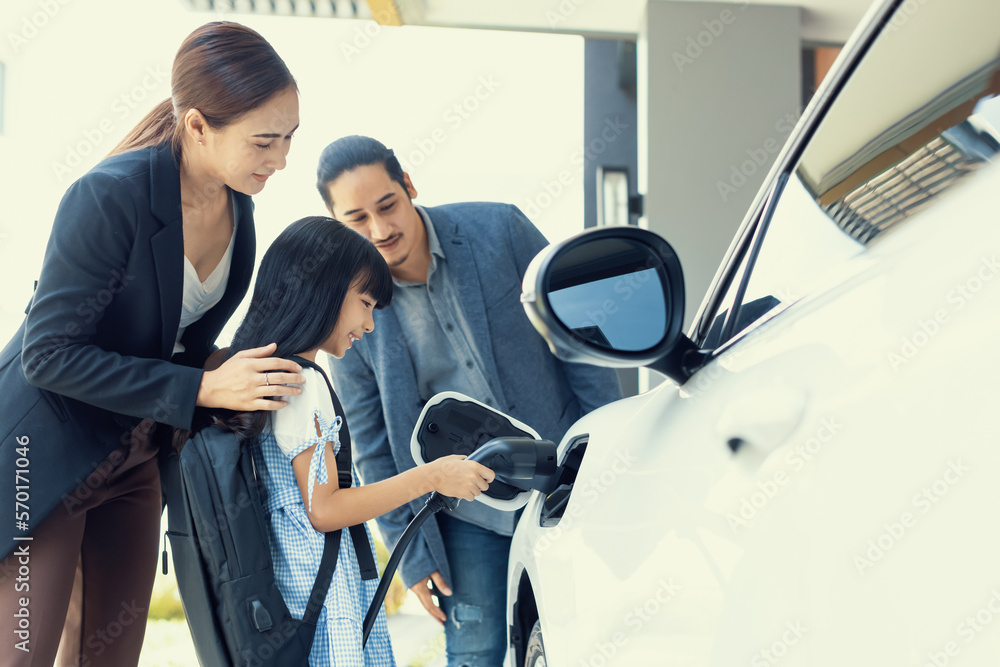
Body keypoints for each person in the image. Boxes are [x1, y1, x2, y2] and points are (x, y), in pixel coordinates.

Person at [0, 22, 302, 666]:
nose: (279, 159)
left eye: (288, 140)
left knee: (108, 658)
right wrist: (202, 385)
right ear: (198, 126)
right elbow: (47, 355)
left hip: (135, 459)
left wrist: (244, 372)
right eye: (264, 140)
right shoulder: (108, 196)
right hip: (43, 458)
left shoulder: (240, 213)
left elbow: (179, 346)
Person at [316, 135, 624, 666]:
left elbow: (579, 340)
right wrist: (409, 553)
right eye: (357, 219)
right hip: (466, 513)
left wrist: (602, 449)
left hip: (566, 474)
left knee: (597, 631)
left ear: (409, 185)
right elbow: (369, 444)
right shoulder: (345, 309)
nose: (380, 230)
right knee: (475, 653)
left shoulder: (500, 230)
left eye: (388, 205)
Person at [213, 215, 495, 666]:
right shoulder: (304, 385)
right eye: (364, 303)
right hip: (323, 600)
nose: (368, 324)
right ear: (323, 289)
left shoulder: (252, 378)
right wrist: (434, 476)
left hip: (285, 596)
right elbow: (325, 510)